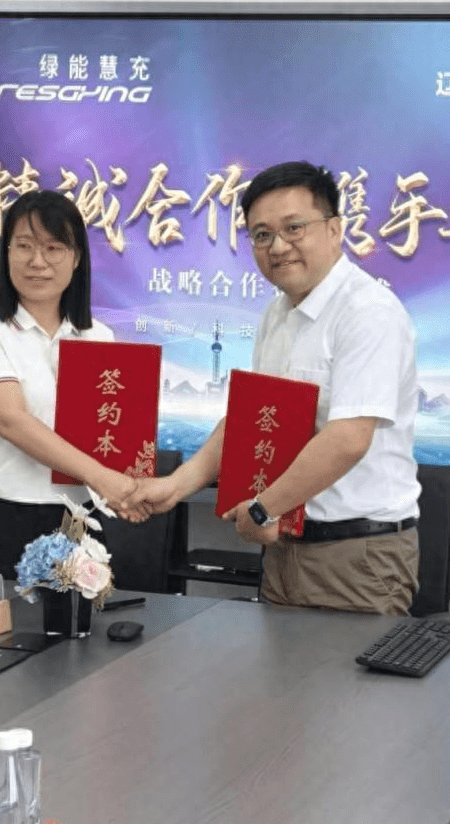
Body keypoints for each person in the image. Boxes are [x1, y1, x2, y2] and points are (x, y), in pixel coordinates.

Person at [135, 161, 420, 615]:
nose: (278, 246)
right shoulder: (277, 313)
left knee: (347, 668)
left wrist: (263, 509)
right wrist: (176, 485)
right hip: (284, 543)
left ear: (334, 229)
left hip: (354, 554)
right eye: (262, 235)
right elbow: (249, 422)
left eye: (293, 228)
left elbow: (349, 439)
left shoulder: (368, 311)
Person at [0, 190, 139, 579]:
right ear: (7, 253)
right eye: (24, 246)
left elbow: (109, 435)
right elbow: (10, 420)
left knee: (77, 621)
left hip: (77, 521)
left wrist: (130, 487)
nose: (38, 261)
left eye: (54, 248)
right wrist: (103, 478)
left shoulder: (98, 337)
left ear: (76, 258)